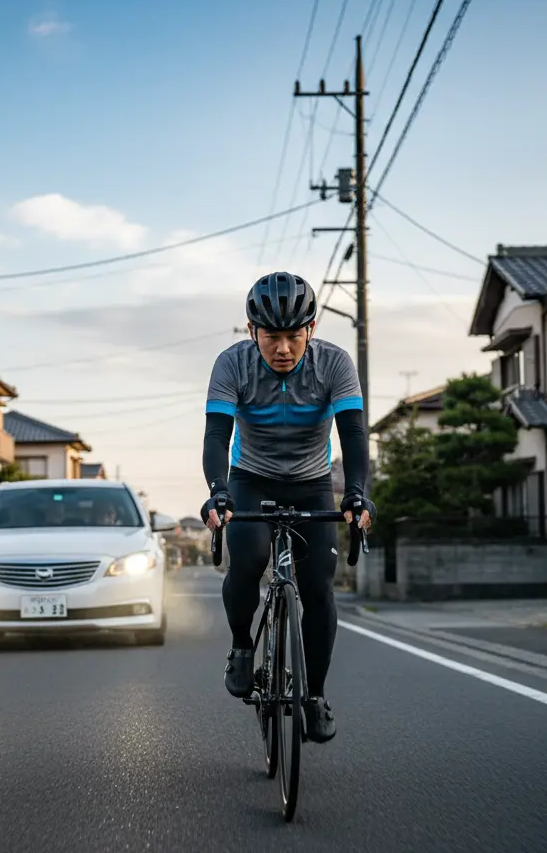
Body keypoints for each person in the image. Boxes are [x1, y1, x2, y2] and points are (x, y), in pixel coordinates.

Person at [200, 270, 374, 743]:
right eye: (271, 336)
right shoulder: (232, 364)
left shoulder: (334, 364)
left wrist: (356, 492)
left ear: (311, 329)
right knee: (250, 557)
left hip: (312, 482)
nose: (282, 348)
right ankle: (241, 646)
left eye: (294, 336)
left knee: (318, 587)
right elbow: (217, 436)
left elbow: (354, 436)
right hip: (250, 478)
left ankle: (315, 695)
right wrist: (219, 491)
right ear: (252, 331)